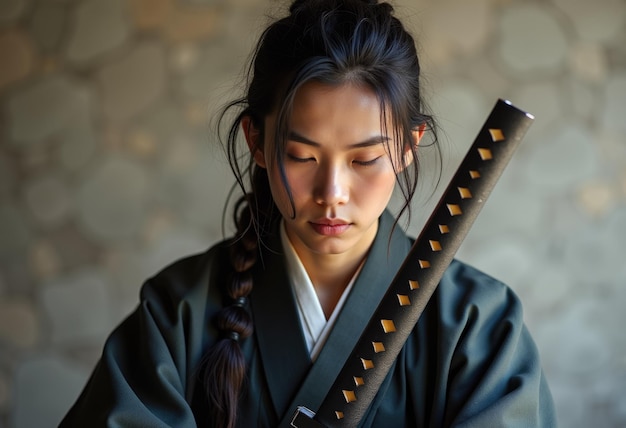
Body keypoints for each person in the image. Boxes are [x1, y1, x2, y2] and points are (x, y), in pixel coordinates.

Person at [61, 0, 556, 427]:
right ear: (256, 139)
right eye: (301, 156)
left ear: (409, 147)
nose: (332, 192)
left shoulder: (479, 324)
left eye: (365, 160)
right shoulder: (178, 314)